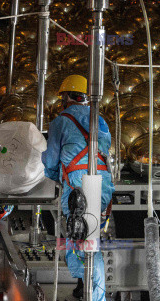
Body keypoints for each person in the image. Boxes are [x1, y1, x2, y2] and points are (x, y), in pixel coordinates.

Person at [41, 75, 115, 300]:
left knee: (77, 239)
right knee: (91, 238)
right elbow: (105, 148)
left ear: (67, 97)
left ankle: (89, 289)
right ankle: (90, 289)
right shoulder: (100, 120)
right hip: (102, 186)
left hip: (77, 187)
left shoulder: (60, 122)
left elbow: (51, 161)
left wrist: (55, 176)